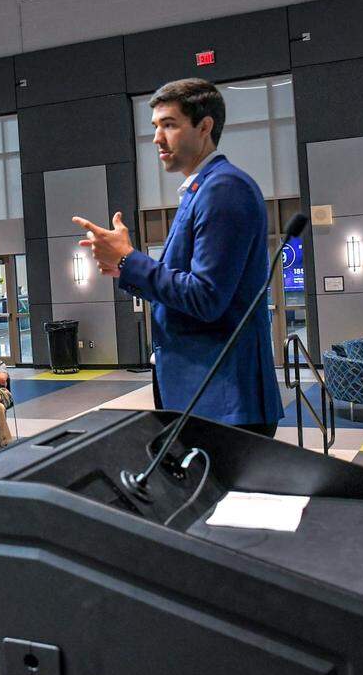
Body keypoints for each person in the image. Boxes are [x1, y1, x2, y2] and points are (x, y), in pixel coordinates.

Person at [75, 78, 283, 435]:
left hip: (225, 400)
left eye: (169, 125)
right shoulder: (201, 190)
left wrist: (129, 260)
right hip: (207, 397)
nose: (157, 138)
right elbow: (186, 286)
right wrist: (124, 266)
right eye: (155, 126)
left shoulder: (224, 189)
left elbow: (206, 297)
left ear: (205, 127)